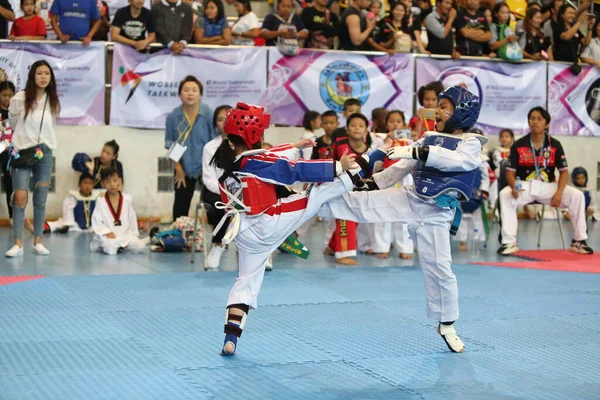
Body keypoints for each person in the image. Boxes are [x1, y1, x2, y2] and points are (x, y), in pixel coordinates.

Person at [318, 86, 486, 353]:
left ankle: (447, 325)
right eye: (438, 105)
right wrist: (372, 184)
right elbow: (401, 166)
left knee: (440, 270)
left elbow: (457, 162)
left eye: (445, 107)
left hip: (437, 213)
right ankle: (309, 203)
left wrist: (415, 152)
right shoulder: (429, 136)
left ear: (462, 114)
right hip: (411, 197)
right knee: (360, 205)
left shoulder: (471, 143)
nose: (438, 111)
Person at [212, 102, 371, 356]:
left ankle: (231, 337)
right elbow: (293, 171)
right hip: (270, 221)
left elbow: (268, 157)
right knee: (315, 194)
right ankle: (359, 172)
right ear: (255, 136)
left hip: (244, 233)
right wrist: (338, 165)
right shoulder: (257, 162)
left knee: (245, 282)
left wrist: (295, 147)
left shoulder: (226, 161)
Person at [498, 106, 593, 255]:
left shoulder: (555, 145)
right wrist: (513, 187)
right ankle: (509, 242)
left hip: (549, 186)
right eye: (532, 119)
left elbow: (564, 172)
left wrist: (559, 193)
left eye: (539, 119)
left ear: (547, 124)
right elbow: (510, 172)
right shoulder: (519, 144)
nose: (535, 122)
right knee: (505, 194)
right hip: (525, 186)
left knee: (577, 195)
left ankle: (579, 241)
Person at [6, 60, 60, 258]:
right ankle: (17, 243)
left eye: (47, 73)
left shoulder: (52, 100)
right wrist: (23, 139)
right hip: (21, 152)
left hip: (44, 152)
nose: (44, 77)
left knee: (41, 198)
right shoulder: (20, 98)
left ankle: (38, 240)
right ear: (32, 76)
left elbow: (52, 125)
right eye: (40, 73)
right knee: (19, 197)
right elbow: (12, 121)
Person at [165, 75, 213, 221]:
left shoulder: (208, 114)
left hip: (206, 166)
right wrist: (178, 169)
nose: (190, 93)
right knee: (180, 205)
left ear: (200, 95)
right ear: (180, 95)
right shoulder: (174, 116)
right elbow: (172, 144)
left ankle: (217, 241)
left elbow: (214, 143)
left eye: (194, 90)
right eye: (186, 90)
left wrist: (208, 168)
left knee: (212, 203)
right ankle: (178, 239)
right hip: (182, 166)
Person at [371, 110, 415, 259]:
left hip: (404, 178)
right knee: (383, 212)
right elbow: (374, 159)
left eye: (398, 121)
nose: (395, 124)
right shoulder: (380, 139)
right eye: (391, 121)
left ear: (403, 124)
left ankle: (405, 248)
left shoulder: (410, 142)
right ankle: (381, 247)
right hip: (386, 177)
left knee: (405, 213)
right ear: (386, 123)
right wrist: (385, 144)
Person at [90, 167, 147, 255]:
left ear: (120, 181)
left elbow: (132, 218)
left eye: (115, 180)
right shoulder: (101, 200)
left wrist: (132, 235)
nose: (112, 184)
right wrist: (107, 232)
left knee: (140, 246)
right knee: (111, 250)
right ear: (102, 184)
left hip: (124, 235)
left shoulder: (127, 199)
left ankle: (120, 245)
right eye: (108, 182)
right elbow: (96, 221)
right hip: (109, 237)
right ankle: (119, 245)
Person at [202, 105, 232, 270]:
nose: (224, 123)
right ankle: (218, 245)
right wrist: (225, 193)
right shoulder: (210, 147)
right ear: (215, 124)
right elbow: (208, 178)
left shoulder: (246, 145)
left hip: (241, 190)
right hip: (216, 190)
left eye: (228, 119)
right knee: (220, 204)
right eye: (220, 119)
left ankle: (256, 250)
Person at [35, 172, 100, 234]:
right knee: (57, 224)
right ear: (79, 184)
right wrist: (69, 223)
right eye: (85, 183)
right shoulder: (72, 197)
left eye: (90, 184)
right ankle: (36, 229)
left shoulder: (96, 197)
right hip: (74, 225)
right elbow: (68, 213)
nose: (87, 186)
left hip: (92, 227)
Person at [0, 80, 15, 222]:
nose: (7, 98)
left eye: (10, 95)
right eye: (4, 95)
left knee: (10, 182)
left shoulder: (15, 111)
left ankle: (12, 216)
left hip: (8, 150)